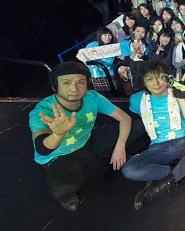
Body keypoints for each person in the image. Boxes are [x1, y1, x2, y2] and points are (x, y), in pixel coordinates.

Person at [28, 62, 142, 211]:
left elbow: (125, 118)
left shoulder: (92, 97)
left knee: (139, 126)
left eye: (80, 82)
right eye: (66, 83)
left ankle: (106, 153)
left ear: (87, 85)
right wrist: (58, 134)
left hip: (87, 140)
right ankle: (66, 194)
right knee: (64, 188)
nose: (74, 88)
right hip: (61, 154)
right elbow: (42, 148)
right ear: (55, 86)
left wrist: (120, 147)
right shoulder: (43, 111)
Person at [122, 61, 185, 210]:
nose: (156, 83)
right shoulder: (136, 100)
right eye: (150, 79)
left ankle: (164, 182)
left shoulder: (181, 91)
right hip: (158, 148)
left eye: (160, 77)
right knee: (129, 169)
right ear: (143, 82)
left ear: (168, 77)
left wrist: (181, 99)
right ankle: (172, 175)